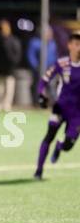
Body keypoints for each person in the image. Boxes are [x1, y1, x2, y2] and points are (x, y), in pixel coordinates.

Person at [34, 31, 80, 180]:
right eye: (77, 44)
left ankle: (60, 147)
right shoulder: (62, 63)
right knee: (49, 135)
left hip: (77, 114)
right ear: (69, 46)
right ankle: (38, 171)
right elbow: (44, 79)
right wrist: (41, 94)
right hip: (61, 108)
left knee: (68, 145)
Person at [0, 19, 22, 112]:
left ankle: (7, 104)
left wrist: (13, 63)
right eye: (2, 28)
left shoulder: (13, 40)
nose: (3, 30)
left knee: (9, 88)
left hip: (10, 69)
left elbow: (17, 54)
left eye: (5, 27)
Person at [27, 26, 58, 106]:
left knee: (51, 86)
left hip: (50, 69)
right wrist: (36, 66)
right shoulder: (35, 42)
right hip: (39, 69)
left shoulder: (52, 44)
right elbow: (31, 56)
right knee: (38, 87)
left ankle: (54, 104)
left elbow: (55, 56)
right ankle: (37, 104)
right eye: (48, 33)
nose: (50, 34)